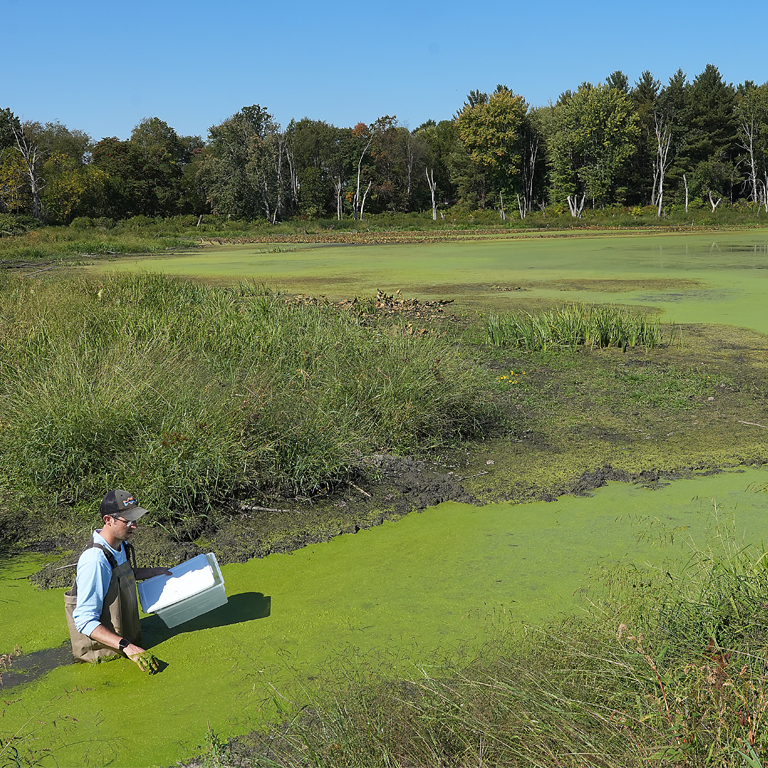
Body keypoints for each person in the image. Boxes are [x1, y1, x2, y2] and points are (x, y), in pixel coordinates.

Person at [64, 490, 171, 672]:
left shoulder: (120, 545)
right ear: (108, 520)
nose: (134, 526)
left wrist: (155, 572)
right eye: (128, 520)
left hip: (125, 647)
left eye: (135, 519)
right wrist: (128, 647)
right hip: (102, 659)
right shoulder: (95, 561)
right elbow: (83, 620)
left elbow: (122, 575)